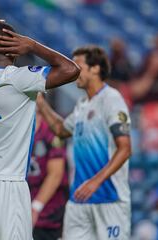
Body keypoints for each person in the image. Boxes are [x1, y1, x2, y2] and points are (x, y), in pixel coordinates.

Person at [0, 19, 80, 240]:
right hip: (6, 184)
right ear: (16, 49)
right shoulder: (18, 78)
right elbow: (71, 70)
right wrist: (33, 45)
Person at [37, 45, 132, 240]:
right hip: (78, 200)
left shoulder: (111, 99)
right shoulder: (82, 105)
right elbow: (62, 130)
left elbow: (125, 149)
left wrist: (95, 182)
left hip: (108, 198)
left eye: (78, 65)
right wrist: (39, 102)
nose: (74, 71)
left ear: (95, 68)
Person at [27, 111, 69, 240]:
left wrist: (35, 207)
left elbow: (56, 174)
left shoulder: (51, 131)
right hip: (24, 208)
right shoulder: (16, 132)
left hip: (51, 214)